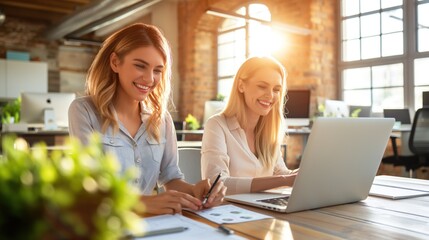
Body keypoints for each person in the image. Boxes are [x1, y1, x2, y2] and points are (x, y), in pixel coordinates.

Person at [68, 23, 226, 214]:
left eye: (157, 70)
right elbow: (89, 186)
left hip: (150, 224)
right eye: (140, 66)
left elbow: (170, 178)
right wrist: (141, 203)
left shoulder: (162, 119)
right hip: (104, 224)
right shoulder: (83, 111)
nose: (150, 79)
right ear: (115, 62)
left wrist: (194, 191)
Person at [201, 56, 298, 195]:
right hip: (230, 211)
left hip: (264, 209)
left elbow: (282, 173)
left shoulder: (269, 131)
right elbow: (216, 183)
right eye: (262, 86)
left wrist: (303, 174)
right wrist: (284, 180)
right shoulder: (217, 125)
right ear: (241, 85)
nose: (270, 95)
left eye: (276, 89)